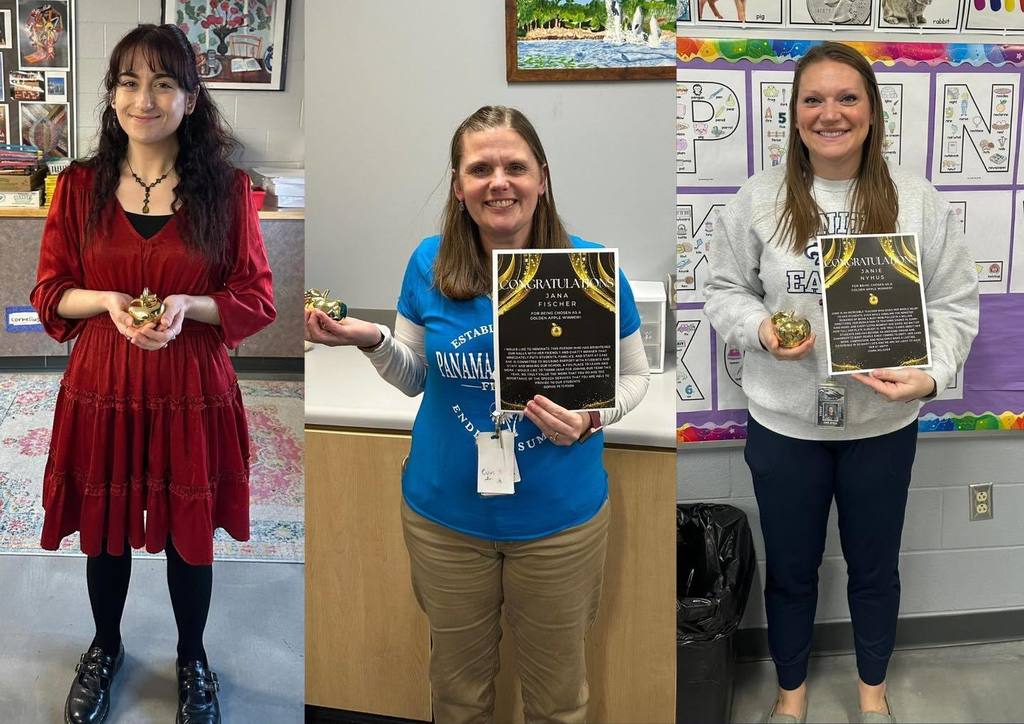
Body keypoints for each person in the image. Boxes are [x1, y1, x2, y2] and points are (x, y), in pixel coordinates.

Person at [305, 105, 650, 724]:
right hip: (446, 519)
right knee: (458, 694)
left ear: (542, 177)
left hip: (559, 523)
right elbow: (414, 376)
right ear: (459, 185)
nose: (499, 181)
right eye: (480, 168)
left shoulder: (590, 270)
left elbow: (634, 377)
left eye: (515, 166)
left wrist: (594, 419)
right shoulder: (429, 264)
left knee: (558, 700)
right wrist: (370, 340)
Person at [702, 42, 978, 724]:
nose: (831, 113)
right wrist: (763, 331)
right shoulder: (759, 199)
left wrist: (932, 374)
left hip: (882, 429)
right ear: (794, 115)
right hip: (784, 425)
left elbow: (954, 303)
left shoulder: (915, 201)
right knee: (792, 571)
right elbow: (721, 290)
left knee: (875, 570)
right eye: (814, 99)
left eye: (847, 97)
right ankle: (791, 697)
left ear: (872, 111)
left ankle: (872, 696)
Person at [30, 24, 275, 724]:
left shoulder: (227, 192)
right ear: (112, 96)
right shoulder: (78, 186)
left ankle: (193, 657)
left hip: (190, 386)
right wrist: (107, 300)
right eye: (130, 82)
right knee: (104, 528)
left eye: (165, 82)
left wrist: (189, 306)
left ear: (191, 99)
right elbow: (51, 293)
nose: (146, 98)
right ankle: (104, 647)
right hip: (102, 383)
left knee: (185, 529)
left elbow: (256, 298)